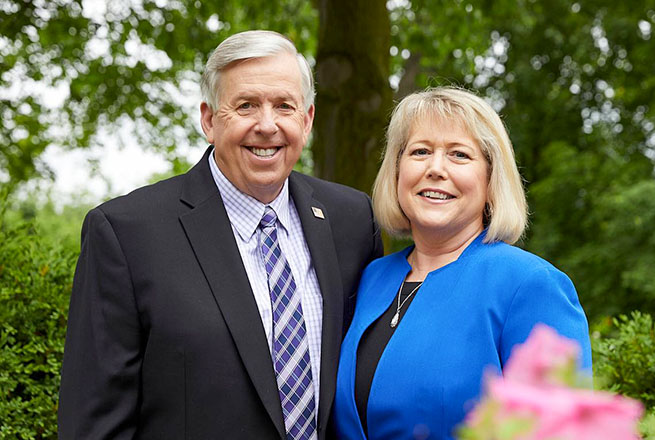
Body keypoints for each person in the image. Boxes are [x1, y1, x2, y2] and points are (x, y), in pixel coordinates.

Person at [58, 30, 383, 440]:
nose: (267, 125)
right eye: (246, 105)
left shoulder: (352, 220)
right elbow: (94, 423)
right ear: (209, 120)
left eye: (284, 105)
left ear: (307, 119)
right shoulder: (126, 234)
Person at [333, 87, 591, 439]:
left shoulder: (529, 285)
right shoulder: (371, 278)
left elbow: (562, 431)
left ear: (490, 178)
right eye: (420, 151)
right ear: (396, 170)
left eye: (459, 155)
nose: (435, 168)